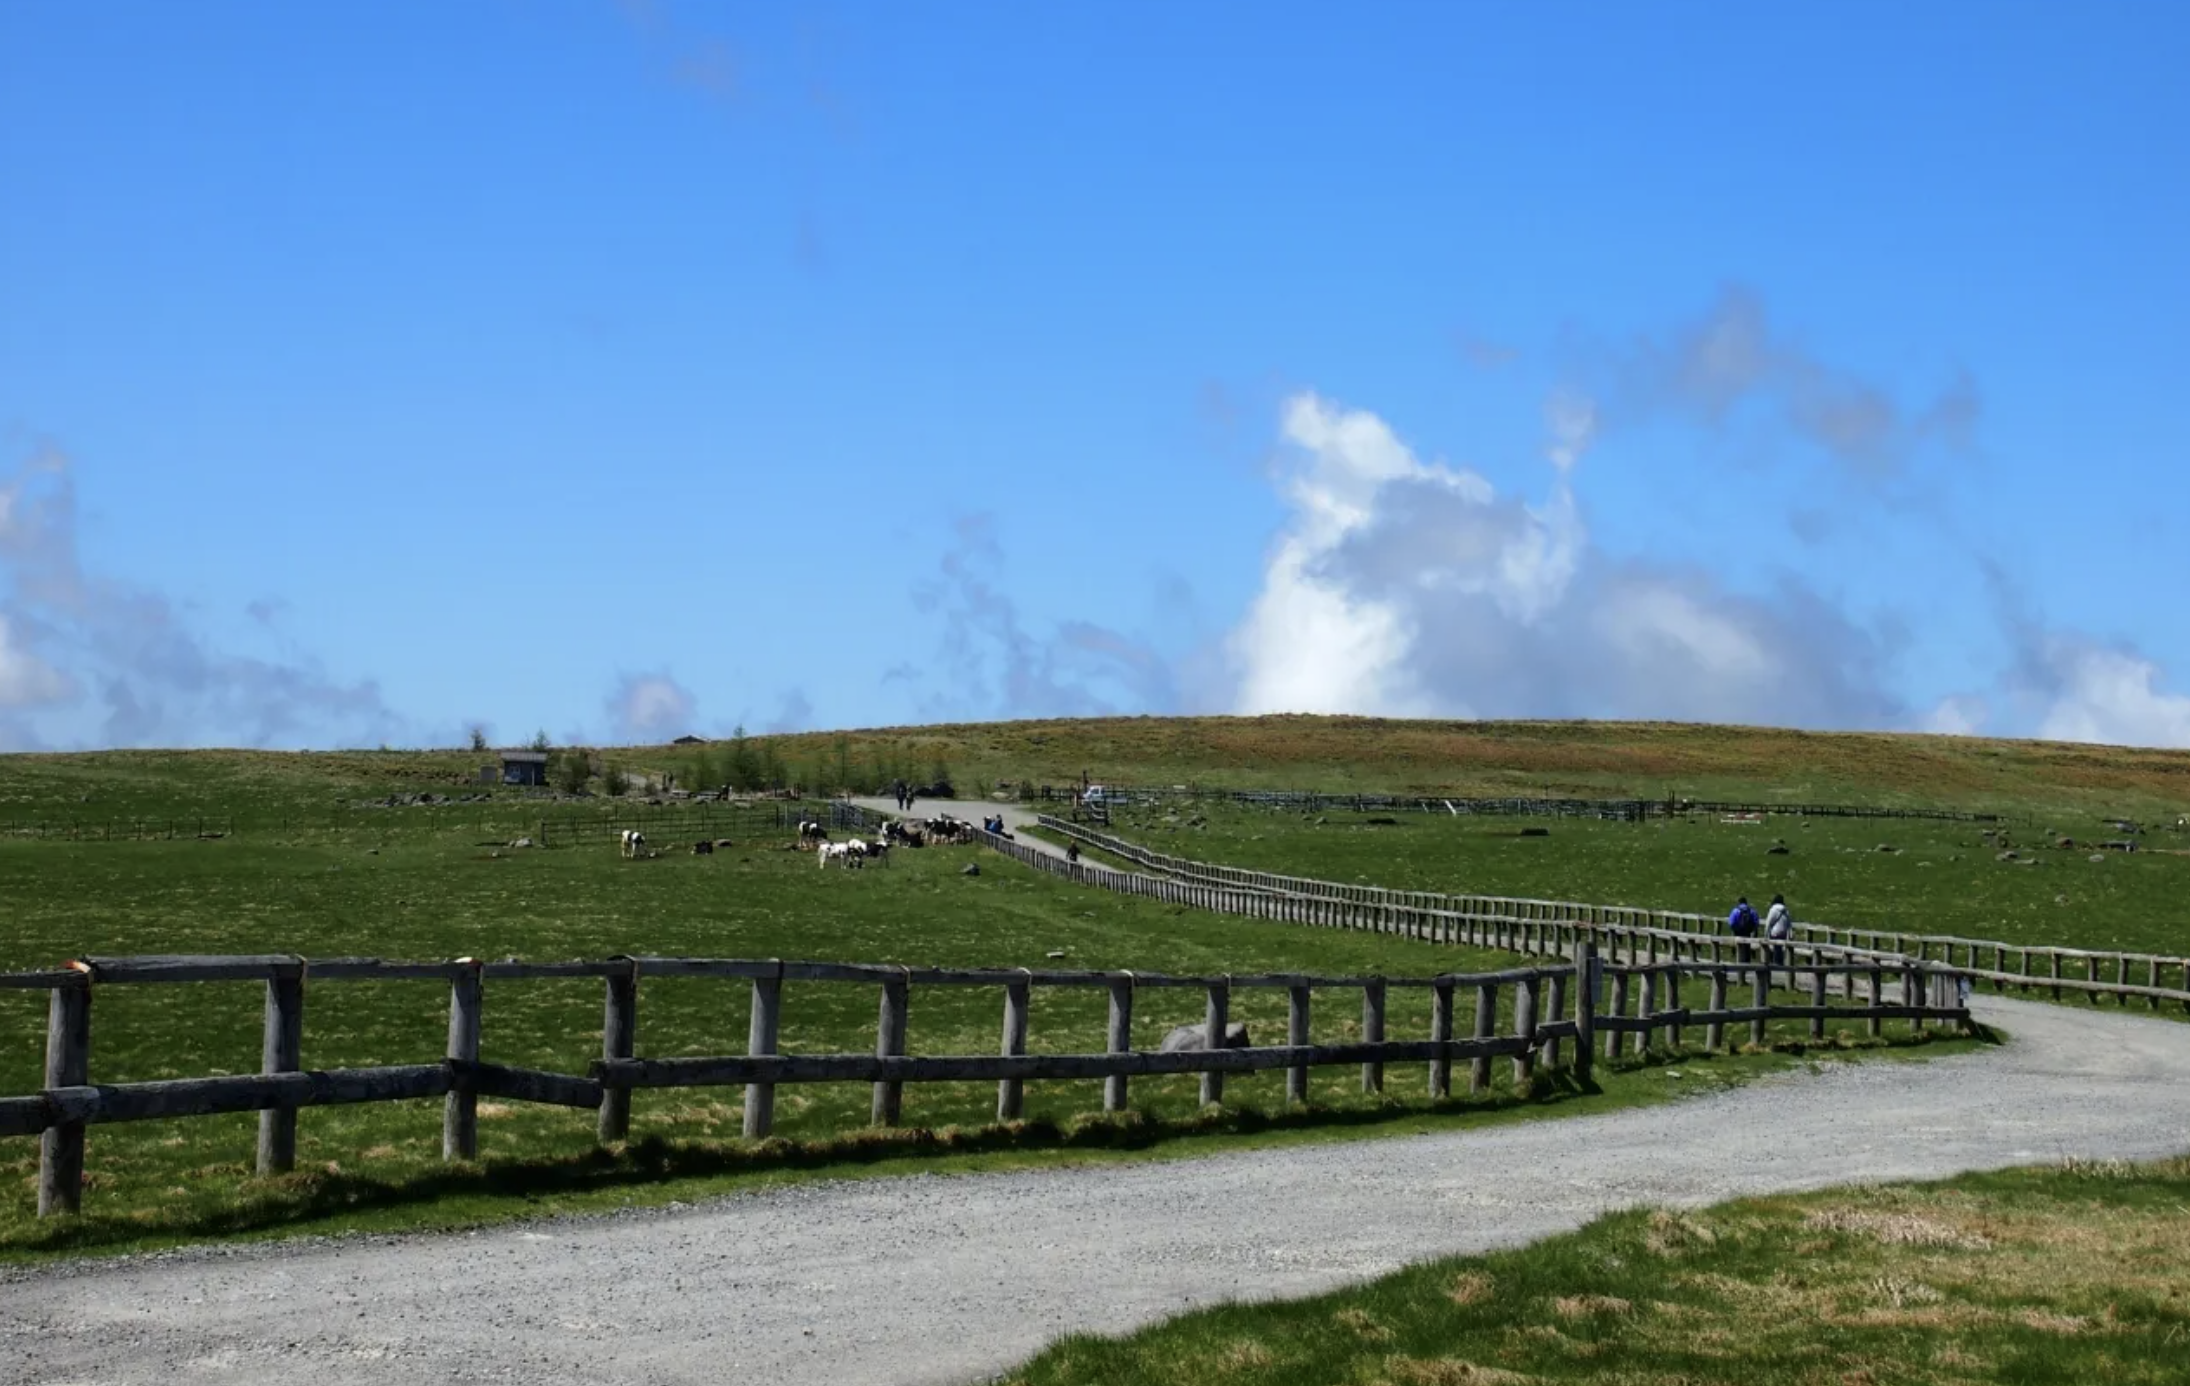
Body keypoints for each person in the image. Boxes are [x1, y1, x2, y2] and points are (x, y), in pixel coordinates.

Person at [1763, 893, 1792, 981]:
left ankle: (1775, 964)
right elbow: (1789, 923)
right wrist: (1790, 933)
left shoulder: (1773, 910)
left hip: (1775, 931)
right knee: (1779, 947)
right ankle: (1780, 962)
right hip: (1783, 932)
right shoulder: (1786, 910)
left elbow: (1768, 922)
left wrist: (1766, 933)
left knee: (1775, 947)